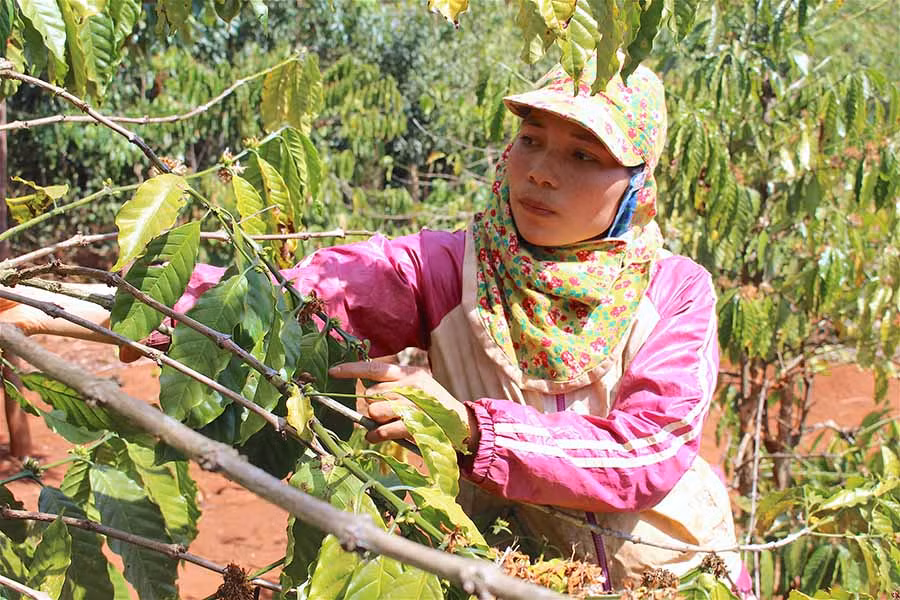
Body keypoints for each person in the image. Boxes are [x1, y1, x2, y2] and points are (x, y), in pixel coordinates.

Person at [1, 58, 752, 593]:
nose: (541, 172)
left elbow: (644, 452)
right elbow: (277, 302)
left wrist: (469, 429)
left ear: (635, 185)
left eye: (584, 154)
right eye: (530, 139)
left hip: (673, 575)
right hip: (501, 572)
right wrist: (64, 302)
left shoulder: (676, 292)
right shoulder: (444, 271)